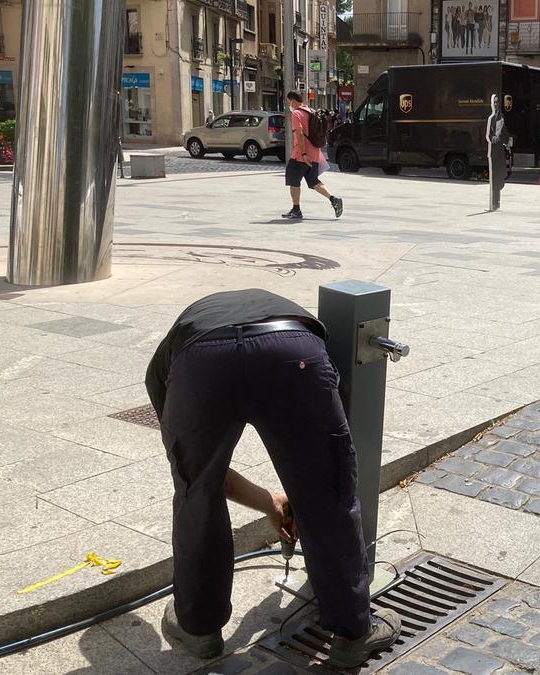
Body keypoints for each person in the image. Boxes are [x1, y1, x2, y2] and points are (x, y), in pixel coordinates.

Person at [145, 289, 401, 668]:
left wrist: (264, 501)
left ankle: (198, 630)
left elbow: (203, 478)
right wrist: (277, 500)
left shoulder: (165, 368)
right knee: (329, 494)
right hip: (292, 351)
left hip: (203, 360)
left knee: (194, 496)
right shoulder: (297, 327)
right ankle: (353, 633)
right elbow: (322, 472)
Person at [283, 91, 343, 220]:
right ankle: (334, 199)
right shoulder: (311, 111)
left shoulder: (296, 114)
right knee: (313, 181)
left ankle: (296, 209)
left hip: (300, 154)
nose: (290, 105)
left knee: (294, 181)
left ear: (293, 101)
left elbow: (299, 134)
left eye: (289, 102)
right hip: (315, 152)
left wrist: (303, 154)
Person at [486, 94, 510, 212]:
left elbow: (504, 131)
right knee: (494, 177)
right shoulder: (491, 118)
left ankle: (497, 202)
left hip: (500, 150)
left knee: (500, 175)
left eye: (497, 102)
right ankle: (493, 202)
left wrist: (507, 140)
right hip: (493, 151)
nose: (495, 104)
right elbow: (488, 135)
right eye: (494, 102)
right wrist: (492, 138)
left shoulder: (501, 116)